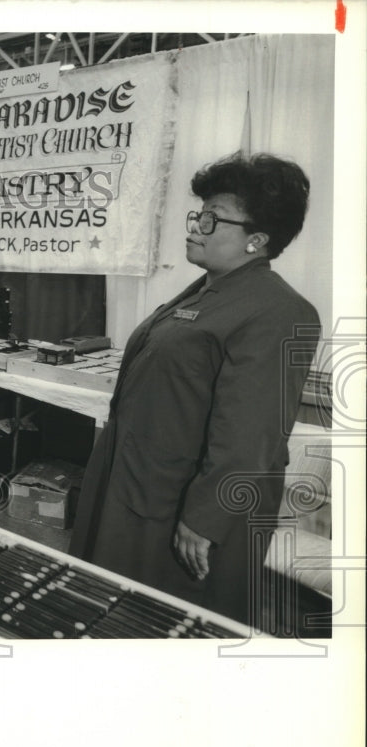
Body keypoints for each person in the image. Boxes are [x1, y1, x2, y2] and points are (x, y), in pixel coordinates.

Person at [69, 152, 321, 627]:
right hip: (145, 485)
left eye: (212, 218)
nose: (196, 225)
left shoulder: (279, 310)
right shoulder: (206, 290)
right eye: (198, 213)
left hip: (191, 508)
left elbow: (252, 434)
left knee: (168, 624)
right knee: (119, 613)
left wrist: (206, 519)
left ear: (258, 240)